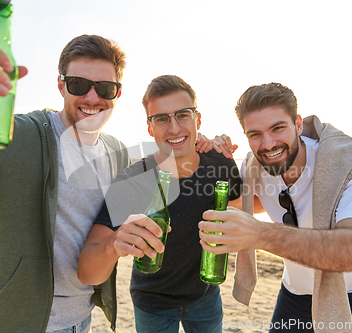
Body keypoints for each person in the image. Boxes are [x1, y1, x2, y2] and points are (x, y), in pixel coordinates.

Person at [0, 35, 212, 332]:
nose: (92, 98)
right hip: (20, 321)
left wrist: (204, 146)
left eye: (105, 88)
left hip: (83, 317)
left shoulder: (117, 153)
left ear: (117, 93)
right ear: (61, 85)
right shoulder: (14, 134)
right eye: (78, 84)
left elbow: (163, 171)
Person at [200, 83, 352, 333]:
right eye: (255, 134)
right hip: (295, 297)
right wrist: (210, 157)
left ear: (297, 123)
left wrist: (260, 235)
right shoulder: (254, 167)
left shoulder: (350, 166)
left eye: (278, 128)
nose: (268, 144)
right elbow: (241, 206)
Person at [78, 75, 242, 333]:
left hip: (205, 296)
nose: (174, 128)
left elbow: (241, 211)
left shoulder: (220, 163)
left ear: (197, 119)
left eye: (183, 115)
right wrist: (114, 244)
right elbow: (87, 269)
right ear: (150, 128)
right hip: (151, 301)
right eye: (162, 119)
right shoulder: (134, 179)